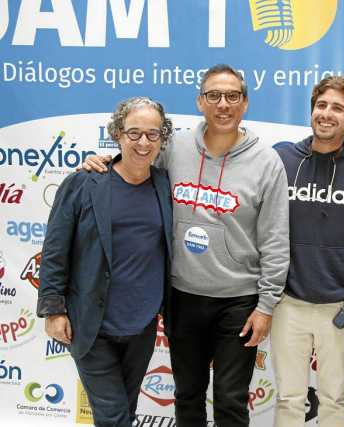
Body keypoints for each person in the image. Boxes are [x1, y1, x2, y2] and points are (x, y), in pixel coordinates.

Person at [83, 64, 290, 427]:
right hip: (182, 296)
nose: (222, 104)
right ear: (199, 102)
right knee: (187, 395)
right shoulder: (175, 146)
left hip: (238, 301)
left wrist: (267, 305)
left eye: (232, 96)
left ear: (245, 104)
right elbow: (135, 166)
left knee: (230, 401)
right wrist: (105, 160)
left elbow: (275, 238)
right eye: (213, 95)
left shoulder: (267, 162)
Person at [37, 97, 174, 427]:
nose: (143, 142)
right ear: (117, 134)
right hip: (91, 325)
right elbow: (55, 250)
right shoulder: (84, 183)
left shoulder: (164, 185)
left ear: (162, 139)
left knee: (123, 412)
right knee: (113, 417)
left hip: (141, 327)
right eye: (134, 133)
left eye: (153, 134)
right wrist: (53, 309)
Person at [271, 76, 344, 427]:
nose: (327, 113)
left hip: (342, 305)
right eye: (321, 105)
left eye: (338, 108)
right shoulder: (281, 158)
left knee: (334, 400)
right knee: (289, 399)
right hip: (288, 301)